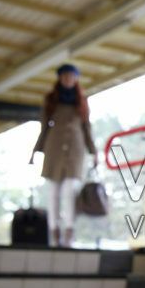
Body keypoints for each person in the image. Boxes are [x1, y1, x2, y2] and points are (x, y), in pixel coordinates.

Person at [30, 64, 97, 247]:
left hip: (75, 150)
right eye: (65, 76)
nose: (68, 79)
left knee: (70, 192)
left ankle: (69, 234)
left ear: (76, 79)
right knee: (54, 193)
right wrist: (36, 151)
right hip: (54, 149)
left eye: (71, 76)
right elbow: (44, 126)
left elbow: (87, 128)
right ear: (60, 78)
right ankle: (54, 234)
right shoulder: (51, 100)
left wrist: (94, 152)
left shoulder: (81, 101)